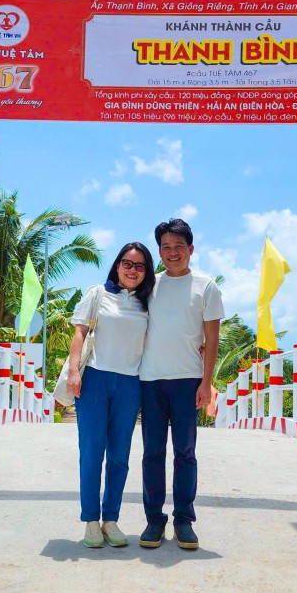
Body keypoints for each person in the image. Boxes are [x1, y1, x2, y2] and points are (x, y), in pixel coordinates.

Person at [138, 218, 223, 550]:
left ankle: (184, 520)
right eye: (166, 247)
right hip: (150, 380)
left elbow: (212, 339)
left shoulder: (207, 286)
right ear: (159, 251)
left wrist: (206, 382)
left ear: (191, 249)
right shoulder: (149, 284)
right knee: (152, 452)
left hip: (188, 381)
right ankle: (154, 520)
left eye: (178, 246)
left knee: (185, 452)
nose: (172, 253)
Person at [67, 242, 156, 548]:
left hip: (130, 384)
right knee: (92, 452)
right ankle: (91, 521)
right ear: (118, 265)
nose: (132, 270)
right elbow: (79, 332)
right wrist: (74, 372)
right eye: (127, 264)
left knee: (119, 457)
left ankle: (111, 519)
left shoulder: (148, 303)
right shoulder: (98, 294)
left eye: (140, 266)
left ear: (146, 272)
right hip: (94, 379)